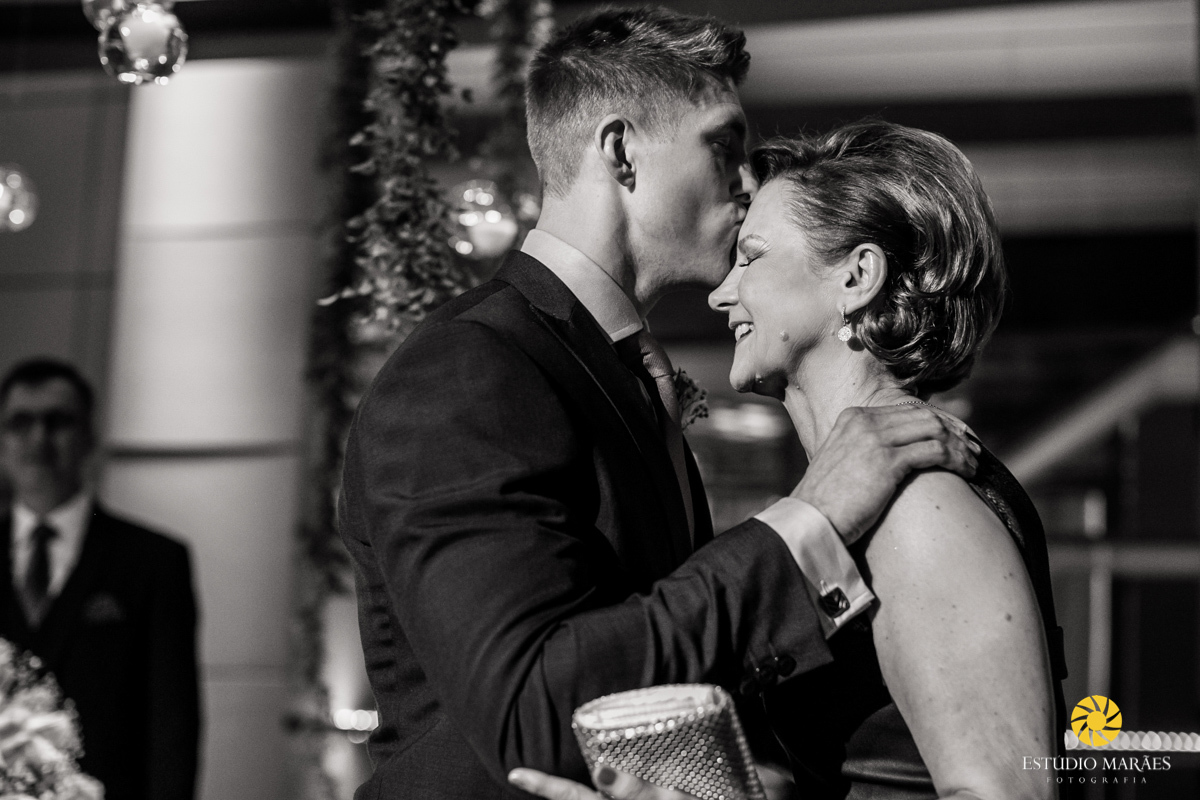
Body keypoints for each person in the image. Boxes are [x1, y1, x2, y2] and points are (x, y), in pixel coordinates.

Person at [338, 9, 980, 800]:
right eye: (723, 145)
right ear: (621, 152)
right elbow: (535, 713)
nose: (747, 182)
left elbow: (656, 670)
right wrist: (809, 519)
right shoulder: (470, 368)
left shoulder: (609, 371)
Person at [514, 123, 1070, 800]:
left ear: (857, 277)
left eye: (750, 258)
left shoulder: (920, 504)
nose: (721, 293)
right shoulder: (869, 499)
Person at [0, 358, 201, 800]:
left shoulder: (153, 562)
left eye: (58, 422)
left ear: (89, 436)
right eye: (20, 423)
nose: (39, 439)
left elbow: (172, 726)